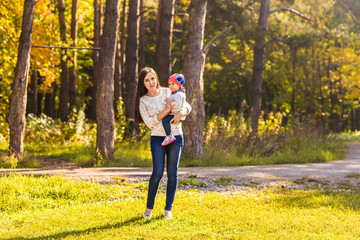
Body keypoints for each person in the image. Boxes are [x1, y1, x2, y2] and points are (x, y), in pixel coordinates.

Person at [135, 67, 192, 219]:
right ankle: (149, 208)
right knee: (158, 172)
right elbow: (150, 123)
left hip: (176, 136)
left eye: (152, 78)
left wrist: (181, 113)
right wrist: (166, 111)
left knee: (173, 173)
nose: (151, 82)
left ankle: (168, 210)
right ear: (143, 83)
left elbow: (187, 105)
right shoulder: (143, 100)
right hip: (158, 138)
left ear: (156, 78)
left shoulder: (169, 91)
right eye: (147, 80)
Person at [161, 74, 187, 146]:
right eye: (169, 84)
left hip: (177, 114)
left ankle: (169, 136)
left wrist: (170, 103)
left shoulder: (179, 94)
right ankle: (169, 135)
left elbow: (177, 105)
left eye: (173, 84)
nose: (171, 86)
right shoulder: (175, 93)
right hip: (175, 113)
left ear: (179, 85)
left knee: (164, 120)